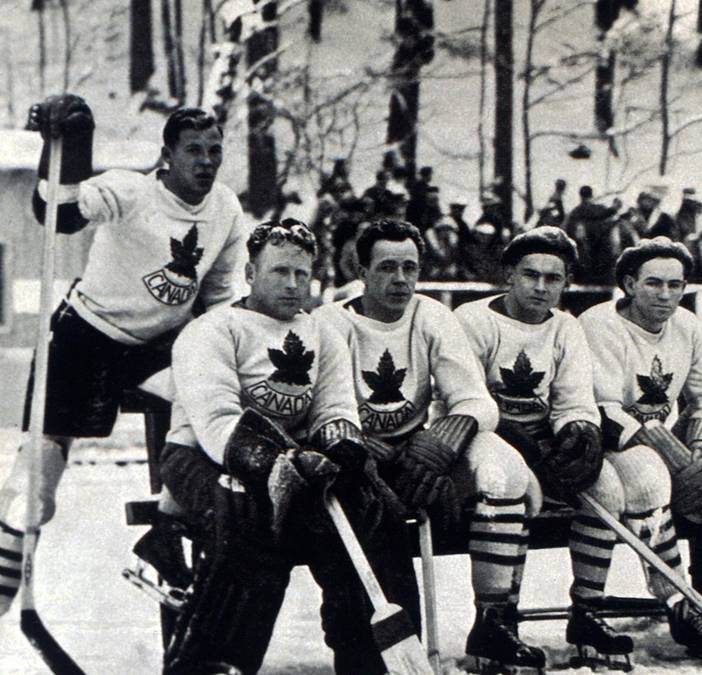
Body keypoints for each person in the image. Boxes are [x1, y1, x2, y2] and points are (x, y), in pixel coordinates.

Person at [0, 100, 246, 610]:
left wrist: (225, 351)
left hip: (157, 346)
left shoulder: (225, 207)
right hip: (85, 338)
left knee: (203, 405)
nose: (206, 161)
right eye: (194, 150)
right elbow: (59, 214)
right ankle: (5, 565)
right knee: (38, 482)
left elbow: (223, 293)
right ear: (167, 155)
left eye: (214, 151)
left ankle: (162, 532)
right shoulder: (132, 191)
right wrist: (66, 149)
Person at [158, 220, 421, 674]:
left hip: (300, 463)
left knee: (372, 511)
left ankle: (370, 659)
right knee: (244, 511)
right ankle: (213, 662)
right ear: (250, 273)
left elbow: (335, 408)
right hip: (204, 457)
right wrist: (277, 463)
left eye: (303, 274)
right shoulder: (213, 330)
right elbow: (217, 420)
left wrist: (341, 453)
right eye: (280, 272)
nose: (294, 284)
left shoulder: (321, 333)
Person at [312, 219, 543, 672]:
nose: (401, 280)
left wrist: (444, 440)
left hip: (415, 458)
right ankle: (371, 655)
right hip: (351, 464)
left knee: (501, 467)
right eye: (387, 268)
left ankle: (493, 624)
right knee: (370, 533)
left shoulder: (430, 314)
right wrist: (354, 443)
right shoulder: (330, 321)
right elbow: (319, 408)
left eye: (410, 268)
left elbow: (476, 400)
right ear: (361, 270)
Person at [454, 227, 638, 667]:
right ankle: (494, 621)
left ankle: (588, 612)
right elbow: (463, 398)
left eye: (553, 278)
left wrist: (581, 431)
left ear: (565, 282)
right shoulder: (472, 319)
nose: (541, 287)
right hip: (478, 437)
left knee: (608, 488)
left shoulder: (565, 326)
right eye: (530, 275)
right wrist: (524, 449)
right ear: (509, 276)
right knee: (506, 481)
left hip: (542, 443)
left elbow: (574, 398)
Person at [576, 238, 702, 665]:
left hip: (657, 449)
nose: (665, 295)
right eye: (653, 284)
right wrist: (673, 459)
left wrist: (701, 452)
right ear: (629, 284)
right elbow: (603, 407)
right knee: (650, 474)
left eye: (675, 285)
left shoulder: (688, 326)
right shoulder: (599, 323)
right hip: (602, 442)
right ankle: (678, 601)